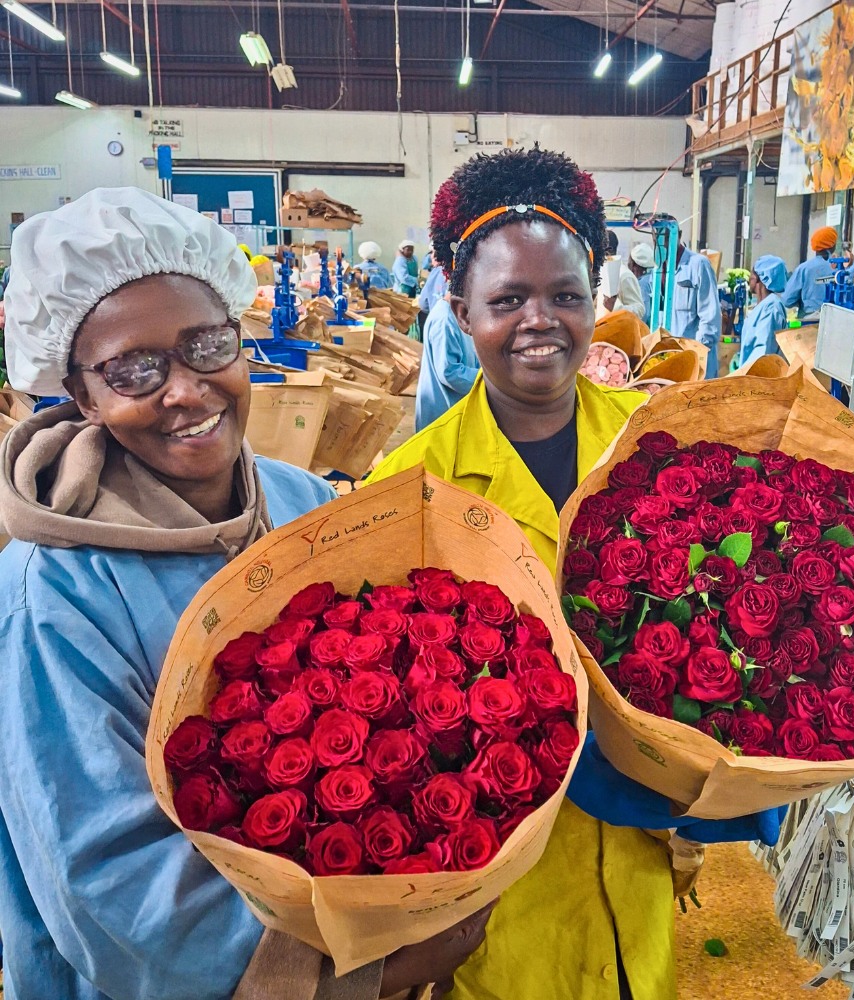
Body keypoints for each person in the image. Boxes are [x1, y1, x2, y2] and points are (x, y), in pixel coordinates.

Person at [0, 187, 492, 1000]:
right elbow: (105, 883)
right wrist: (349, 980)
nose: (185, 390)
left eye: (207, 345)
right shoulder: (49, 596)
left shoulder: (307, 506)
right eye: (133, 369)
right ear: (81, 394)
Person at [366, 148, 784, 1000]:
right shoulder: (407, 490)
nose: (540, 321)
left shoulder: (659, 445)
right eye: (507, 300)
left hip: (639, 853)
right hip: (499, 884)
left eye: (565, 295)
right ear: (459, 308)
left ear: (596, 301)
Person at [651, 219, 722, 378]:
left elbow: (710, 316)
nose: (662, 243)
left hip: (695, 360)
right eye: (657, 239)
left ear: (679, 235)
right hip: (667, 359)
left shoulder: (698, 264)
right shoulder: (657, 269)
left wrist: (698, 352)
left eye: (667, 238)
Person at [414, 293, 480, 433]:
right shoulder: (444, 319)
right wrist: (487, 377)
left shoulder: (457, 316)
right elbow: (449, 372)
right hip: (442, 412)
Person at [737, 254, 789, 369]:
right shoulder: (762, 306)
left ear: (760, 277)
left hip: (760, 377)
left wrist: (744, 373)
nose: (749, 277)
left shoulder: (771, 308)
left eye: (752, 273)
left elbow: (763, 350)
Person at [783, 226, 837, 316]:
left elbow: (787, 300)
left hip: (809, 320)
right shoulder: (838, 269)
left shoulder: (804, 269)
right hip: (834, 320)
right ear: (833, 245)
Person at [606, 243, 652, 324]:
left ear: (633, 264)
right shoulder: (650, 279)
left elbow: (642, 312)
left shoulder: (632, 279)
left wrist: (616, 307)